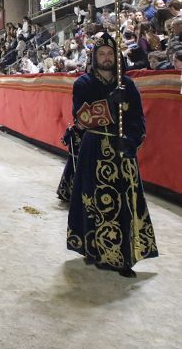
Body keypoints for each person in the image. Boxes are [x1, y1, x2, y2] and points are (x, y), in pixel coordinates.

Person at [67, 33, 157, 277]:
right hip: (94, 148)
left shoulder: (127, 85)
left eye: (111, 54)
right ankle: (94, 249)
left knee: (126, 202)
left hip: (122, 150)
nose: (106, 58)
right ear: (95, 58)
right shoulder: (83, 84)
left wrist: (131, 140)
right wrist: (109, 103)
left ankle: (125, 256)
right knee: (93, 200)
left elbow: (137, 118)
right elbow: (82, 119)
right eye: (102, 54)